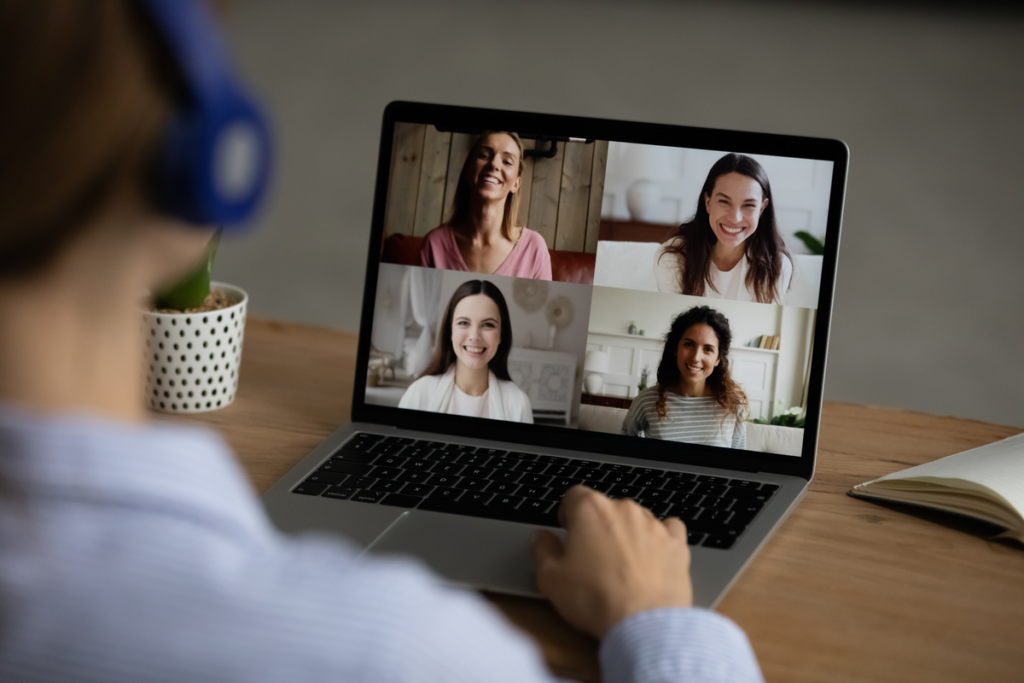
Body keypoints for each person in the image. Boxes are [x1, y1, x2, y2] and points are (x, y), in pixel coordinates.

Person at [0, 2, 764, 681]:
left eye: (486, 323)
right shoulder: (403, 649)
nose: (475, 333)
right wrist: (659, 620)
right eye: (464, 320)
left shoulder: (527, 339)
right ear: (201, 157)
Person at [654, 153, 792, 304]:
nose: (735, 218)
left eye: (749, 205)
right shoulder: (672, 258)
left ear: (761, 209)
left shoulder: (777, 267)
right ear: (708, 202)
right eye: (724, 202)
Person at [418, 132, 553, 280]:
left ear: (516, 184)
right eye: (484, 155)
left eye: (507, 161)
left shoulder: (534, 247)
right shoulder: (434, 243)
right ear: (468, 171)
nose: (494, 164)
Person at [398, 280, 533, 423]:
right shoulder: (419, 393)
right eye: (463, 323)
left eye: (488, 324)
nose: (474, 336)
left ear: (501, 335)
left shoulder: (518, 404)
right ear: (450, 331)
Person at [622, 306, 749, 449]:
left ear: (718, 359)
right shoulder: (646, 400)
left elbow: (737, 464)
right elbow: (624, 445)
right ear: (676, 349)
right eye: (689, 344)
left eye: (708, 349)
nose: (696, 358)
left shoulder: (734, 405)